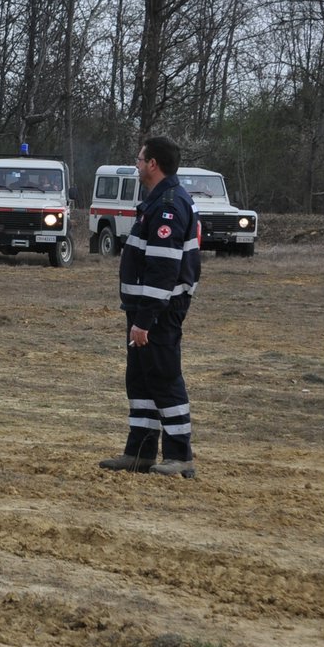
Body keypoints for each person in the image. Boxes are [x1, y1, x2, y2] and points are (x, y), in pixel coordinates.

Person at [100, 136, 201, 478]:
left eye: (140, 159)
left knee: (163, 377)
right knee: (140, 379)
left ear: (153, 164)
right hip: (144, 309)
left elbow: (163, 268)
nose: (137, 164)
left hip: (158, 311)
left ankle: (179, 455)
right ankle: (140, 452)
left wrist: (144, 320)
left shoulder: (168, 206)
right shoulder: (156, 201)